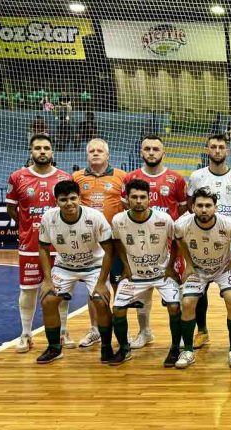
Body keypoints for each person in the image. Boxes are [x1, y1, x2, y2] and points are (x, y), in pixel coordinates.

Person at [6, 134, 73, 353]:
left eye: (46, 148)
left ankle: (63, 332)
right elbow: (12, 210)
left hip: (60, 246)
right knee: (28, 290)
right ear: (31, 151)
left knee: (61, 291)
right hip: (30, 245)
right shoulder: (17, 177)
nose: (42, 151)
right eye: (37, 148)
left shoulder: (64, 178)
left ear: (52, 152)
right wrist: (28, 226)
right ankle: (26, 334)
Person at [35, 180, 114, 364]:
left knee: (100, 301)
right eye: (63, 200)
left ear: (80, 198)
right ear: (56, 201)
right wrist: (47, 280)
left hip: (94, 265)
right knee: (48, 300)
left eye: (73, 198)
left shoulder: (94, 216)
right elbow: (43, 248)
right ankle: (54, 348)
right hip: (65, 266)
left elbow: (109, 251)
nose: (69, 203)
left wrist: (102, 283)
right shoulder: (49, 218)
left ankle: (107, 347)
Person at [122, 135, 188, 350]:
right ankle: (145, 331)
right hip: (139, 245)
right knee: (143, 292)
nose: (151, 152)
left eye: (155, 149)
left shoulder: (176, 179)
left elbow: (183, 210)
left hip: (169, 247)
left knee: (176, 294)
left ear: (163, 153)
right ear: (141, 152)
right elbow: (126, 210)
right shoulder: (130, 178)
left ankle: (179, 339)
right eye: (147, 149)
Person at [108, 179, 181, 366]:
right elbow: (117, 242)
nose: (138, 201)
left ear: (149, 199)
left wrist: (171, 266)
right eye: (134, 197)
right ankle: (124, 349)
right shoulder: (118, 220)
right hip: (135, 275)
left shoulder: (164, 219)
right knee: (117, 309)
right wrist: (125, 265)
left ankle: (175, 349)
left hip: (161, 274)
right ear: (127, 199)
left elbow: (177, 243)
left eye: (142, 197)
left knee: (174, 307)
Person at [187, 135, 231, 351]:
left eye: (221, 147)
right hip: (203, 235)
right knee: (199, 284)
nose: (217, 150)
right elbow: (190, 204)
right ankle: (202, 331)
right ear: (207, 150)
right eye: (213, 147)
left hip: (230, 239)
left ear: (228, 150)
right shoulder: (196, 177)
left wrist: (229, 223)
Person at [175, 187, 231, 368]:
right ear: (192, 206)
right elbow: (179, 239)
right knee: (188, 303)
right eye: (199, 205)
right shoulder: (182, 224)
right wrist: (188, 264)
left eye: (208, 205)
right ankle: (188, 351)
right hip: (197, 269)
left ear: (216, 207)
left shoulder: (229, 223)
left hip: (223, 268)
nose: (204, 209)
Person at [72, 138, 127, 348]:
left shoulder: (121, 176)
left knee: (118, 286)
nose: (95, 153)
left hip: (114, 241)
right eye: (92, 151)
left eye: (100, 151)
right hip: (90, 243)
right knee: (94, 288)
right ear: (87, 155)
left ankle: (120, 331)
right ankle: (94, 329)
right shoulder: (77, 178)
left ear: (108, 155)